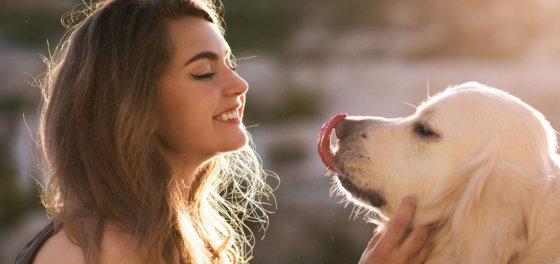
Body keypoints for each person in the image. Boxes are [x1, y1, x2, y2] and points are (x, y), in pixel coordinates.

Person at [15, 0, 429, 263]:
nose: (239, 85)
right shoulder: (108, 251)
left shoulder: (166, 233)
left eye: (231, 64)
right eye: (204, 72)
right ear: (131, 104)